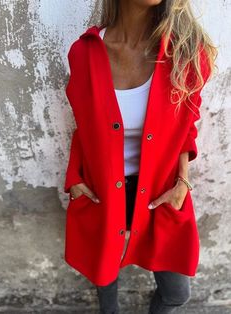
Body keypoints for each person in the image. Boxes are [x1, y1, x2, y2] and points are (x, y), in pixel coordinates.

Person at [64, 0, 217, 313]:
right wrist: (75, 180)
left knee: (177, 293)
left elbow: (186, 129)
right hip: (102, 192)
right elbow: (83, 127)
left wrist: (182, 183)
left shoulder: (186, 53)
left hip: (161, 191)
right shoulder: (84, 53)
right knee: (105, 283)